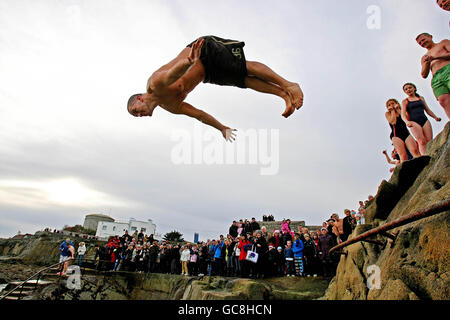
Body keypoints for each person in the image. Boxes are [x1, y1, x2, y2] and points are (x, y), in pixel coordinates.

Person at [127, 36, 304, 142]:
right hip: (207, 74)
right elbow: (199, 115)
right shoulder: (171, 106)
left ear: (140, 99)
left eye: (136, 111)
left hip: (203, 51)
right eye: (137, 116)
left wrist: (188, 62)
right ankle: (283, 95)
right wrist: (221, 128)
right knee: (244, 81)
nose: (139, 115)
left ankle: (288, 85)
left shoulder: (154, 84)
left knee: (244, 67)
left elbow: (171, 75)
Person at [401, 83, 441, 155]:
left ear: (414, 89)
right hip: (413, 122)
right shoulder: (405, 101)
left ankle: (431, 154)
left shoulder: (421, 98)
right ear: (405, 92)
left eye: (410, 87)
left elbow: (427, 110)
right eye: (406, 89)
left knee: (429, 141)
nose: (408, 90)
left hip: (424, 120)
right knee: (421, 141)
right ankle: (424, 156)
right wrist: (406, 122)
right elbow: (403, 115)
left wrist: (435, 117)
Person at [416, 33, 450, 119]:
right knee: (442, 100)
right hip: (436, 78)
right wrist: (427, 63)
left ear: (430, 37)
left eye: (423, 40)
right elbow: (424, 74)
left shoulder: (443, 43)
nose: (422, 43)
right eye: (420, 43)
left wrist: (435, 57)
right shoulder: (424, 57)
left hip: (447, 69)